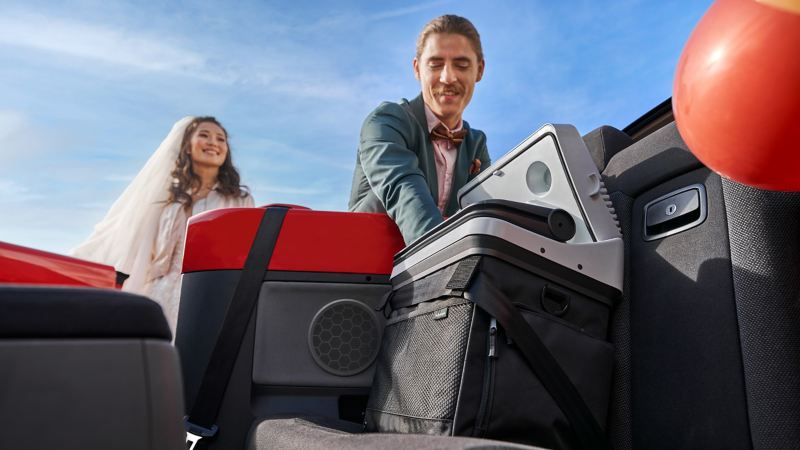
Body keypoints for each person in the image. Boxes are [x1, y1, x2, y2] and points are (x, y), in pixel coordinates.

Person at [72, 116, 253, 333]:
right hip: (161, 295)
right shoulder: (166, 201)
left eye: (220, 139)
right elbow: (144, 251)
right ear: (186, 146)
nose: (213, 143)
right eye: (204, 135)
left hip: (213, 294)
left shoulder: (239, 201)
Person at [348, 14, 490, 244]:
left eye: (461, 65)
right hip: (367, 264)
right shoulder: (385, 121)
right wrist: (446, 256)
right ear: (417, 69)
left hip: (442, 271)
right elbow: (403, 189)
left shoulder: (476, 143)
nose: (448, 77)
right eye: (435, 65)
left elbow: (485, 211)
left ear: (479, 70)